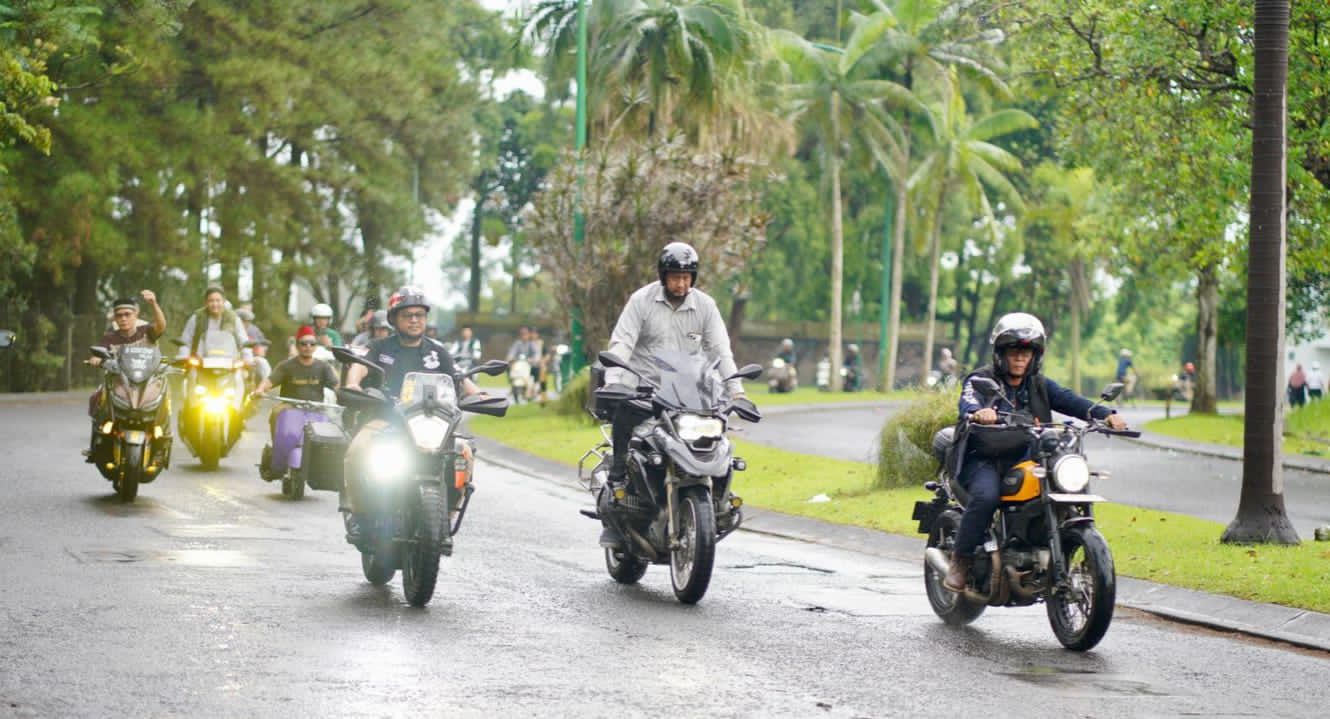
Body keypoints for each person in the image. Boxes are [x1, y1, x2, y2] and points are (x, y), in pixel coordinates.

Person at [943, 312, 1127, 593]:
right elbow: (968, 402)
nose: (1020, 358)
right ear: (1001, 353)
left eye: (1026, 352)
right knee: (986, 497)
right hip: (983, 458)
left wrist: (1106, 414)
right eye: (1014, 351)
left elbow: (1072, 401)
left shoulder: (1039, 384)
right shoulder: (980, 380)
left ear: (1035, 356)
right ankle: (961, 560)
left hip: (1026, 457)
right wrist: (978, 412)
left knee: (1060, 484)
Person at [599, 242, 747, 548]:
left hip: (687, 390)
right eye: (675, 277)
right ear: (663, 276)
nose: (681, 283)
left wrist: (736, 392)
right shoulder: (641, 301)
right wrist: (614, 381)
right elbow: (622, 343)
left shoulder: (705, 306)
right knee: (626, 421)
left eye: (686, 277)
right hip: (642, 386)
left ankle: (718, 498)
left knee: (717, 436)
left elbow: (721, 350)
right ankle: (616, 488)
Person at [341, 286, 485, 542]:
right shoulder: (379, 347)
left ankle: (444, 519)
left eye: (420, 314)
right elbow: (358, 368)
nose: (415, 320)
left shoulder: (437, 351)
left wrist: (481, 395)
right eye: (408, 315)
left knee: (464, 454)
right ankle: (361, 515)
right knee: (357, 450)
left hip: (432, 424)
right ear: (394, 319)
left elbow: (459, 379)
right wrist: (353, 384)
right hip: (386, 419)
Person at [85, 291, 167, 462]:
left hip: (146, 383)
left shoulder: (147, 332)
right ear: (114, 318)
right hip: (120, 384)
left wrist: (153, 303)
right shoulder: (110, 338)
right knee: (97, 396)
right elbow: (99, 353)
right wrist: (96, 359)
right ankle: (98, 442)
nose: (123, 318)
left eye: (127, 314)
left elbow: (161, 326)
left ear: (135, 315)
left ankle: (162, 438)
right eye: (119, 315)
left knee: (165, 398)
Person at [250, 325, 339, 479]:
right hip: (290, 407)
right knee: (276, 413)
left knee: (331, 428)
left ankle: (324, 466)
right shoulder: (287, 366)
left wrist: (346, 394)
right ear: (297, 345)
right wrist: (260, 390)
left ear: (316, 346)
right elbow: (270, 380)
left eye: (312, 344)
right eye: (304, 343)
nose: (308, 347)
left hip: (316, 408)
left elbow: (336, 385)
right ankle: (278, 451)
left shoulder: (323, 367)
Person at [178, 286, 250, 359]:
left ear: (224, 301)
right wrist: (184, 357)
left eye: (218, 300)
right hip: (200, 361)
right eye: (211, 301)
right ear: (206, 302)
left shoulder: (234, 318)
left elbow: (243, 341)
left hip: (228, 361)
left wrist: (248, 358)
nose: (215, 304)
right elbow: (186, 341)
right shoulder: (197, 317)